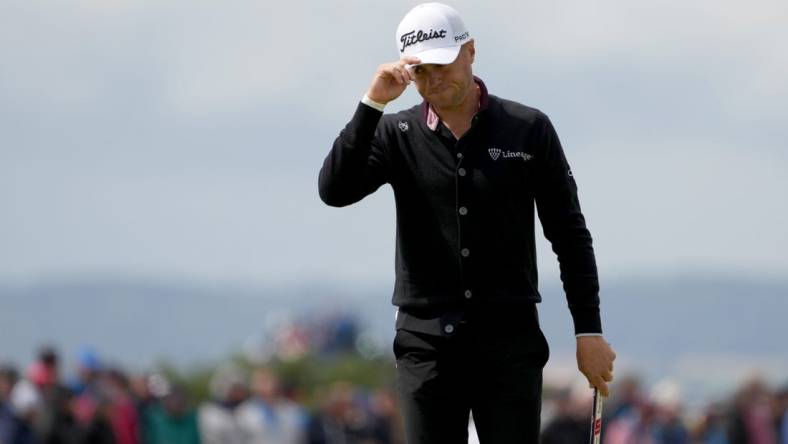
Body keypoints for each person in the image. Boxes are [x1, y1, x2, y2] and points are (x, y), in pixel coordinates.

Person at [317, 2, 616, 442]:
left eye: (442, 64)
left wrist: (588, 329)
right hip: (427, 346)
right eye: (420, 72)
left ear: (470, 51)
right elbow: (334, 190)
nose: (434, 80)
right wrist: (372, 103)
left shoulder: (528, 129)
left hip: (509, 342)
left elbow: (569, 235)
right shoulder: (394, 133)